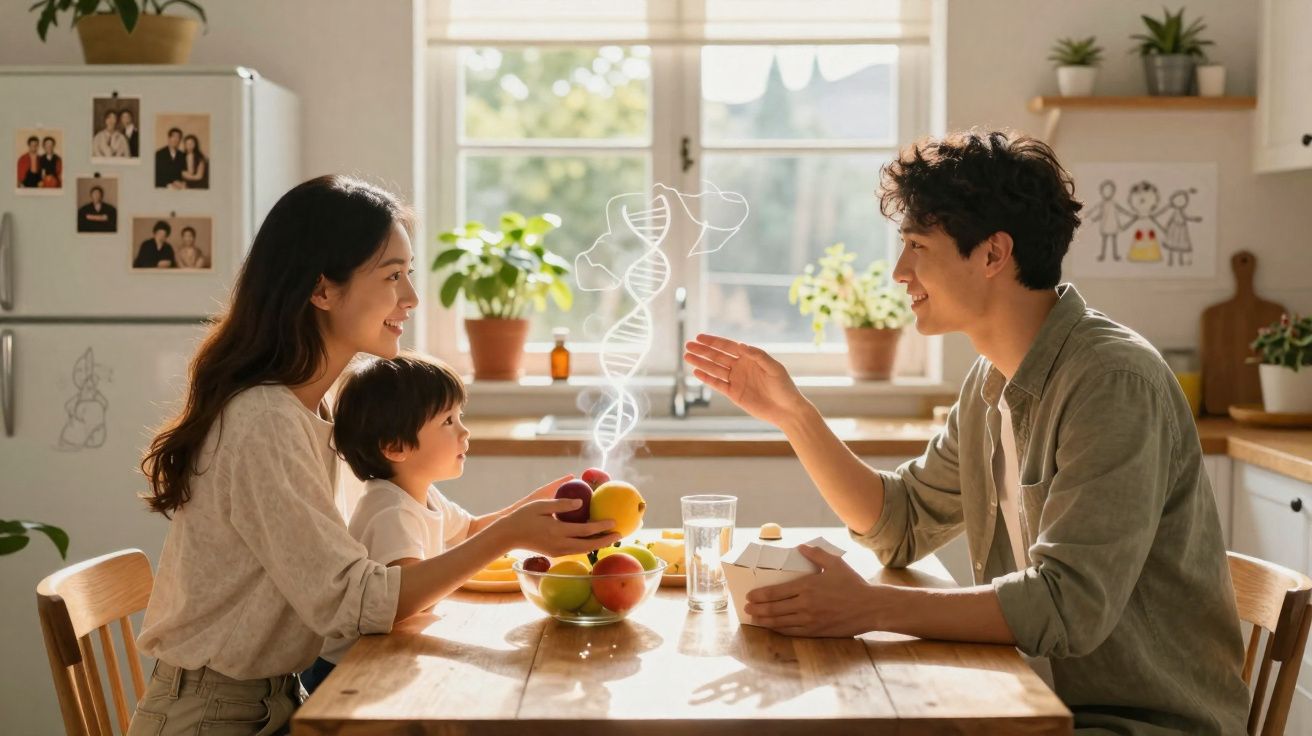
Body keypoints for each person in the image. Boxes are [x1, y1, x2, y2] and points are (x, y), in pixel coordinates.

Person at [683, 130, 1250, 735]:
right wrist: (794, 416)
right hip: (1031, 699)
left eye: (918, 246)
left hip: (1131, 724)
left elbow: (1068, 605)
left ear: (992, 255)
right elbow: (899, 525)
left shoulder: (1112, 382)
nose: (900, 272)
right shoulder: (992, 381)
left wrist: (868, 606)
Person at [126, 175, 619, 735]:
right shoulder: (263, 420)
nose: (410, 297)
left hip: (277, 702)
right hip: (214, 720)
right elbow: (354, 600)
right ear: (322, 291)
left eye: (408, 275)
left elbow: (410, 546)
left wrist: (526, 517)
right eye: (392, 277)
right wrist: (507, 536)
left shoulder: (319, 408)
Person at [301, 352, 536, 694]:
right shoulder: (389, 510)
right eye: (447, 421)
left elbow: (470, 530)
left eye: (460, 416)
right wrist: (513, 532)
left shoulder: (419, 493)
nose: (464, 430)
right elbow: (409, 602)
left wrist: (538, 506)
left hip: (380, 655)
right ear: (396, 447)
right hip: (347, 673)